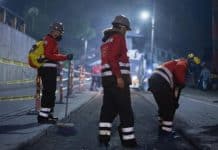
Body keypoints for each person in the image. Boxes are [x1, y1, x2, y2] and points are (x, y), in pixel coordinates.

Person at [98, 15, 138, 148]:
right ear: (121, 27)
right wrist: (119, 77)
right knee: (126, 112)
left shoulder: (106, 41)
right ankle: (128, 141)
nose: (126, 32)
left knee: (108, 110)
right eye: (126, 29)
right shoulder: (119, 37)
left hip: (107, 80)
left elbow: (108, 59)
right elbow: (113, 58)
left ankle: (103, 138)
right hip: (117, 80)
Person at [148, 53, 200, 139]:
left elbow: (174, 89)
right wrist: (182, 83)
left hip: (155, 81)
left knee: (164, 106)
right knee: (169, 107)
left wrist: (174, 99)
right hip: (161, 81)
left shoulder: (176, 63)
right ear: (191, 63)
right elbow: (179, 72)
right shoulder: (183, 63)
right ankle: (166, 132)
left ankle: (162, 127)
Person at [37, 22, 73, 124]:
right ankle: (43, 117)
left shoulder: (47, 39)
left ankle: (47, 116)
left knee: (49, 93)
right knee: (49, 93)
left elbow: (50, 55)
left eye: (60, 32)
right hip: (48, 70)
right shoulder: (50, 40)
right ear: (53, 31)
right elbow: (49, 55)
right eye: (58, 31)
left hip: (47, 69)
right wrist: (65, 57)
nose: (59, 34)